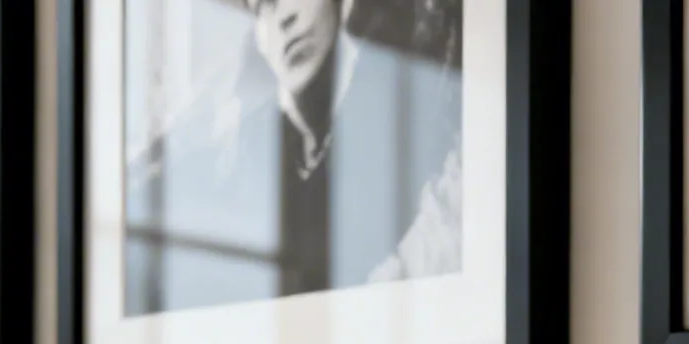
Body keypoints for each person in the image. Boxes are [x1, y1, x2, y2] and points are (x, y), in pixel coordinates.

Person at [125, 0, 463, 316]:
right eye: (263, 6)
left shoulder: (406, 114)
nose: (284, 19)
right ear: (257, 37)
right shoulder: (247, 167)